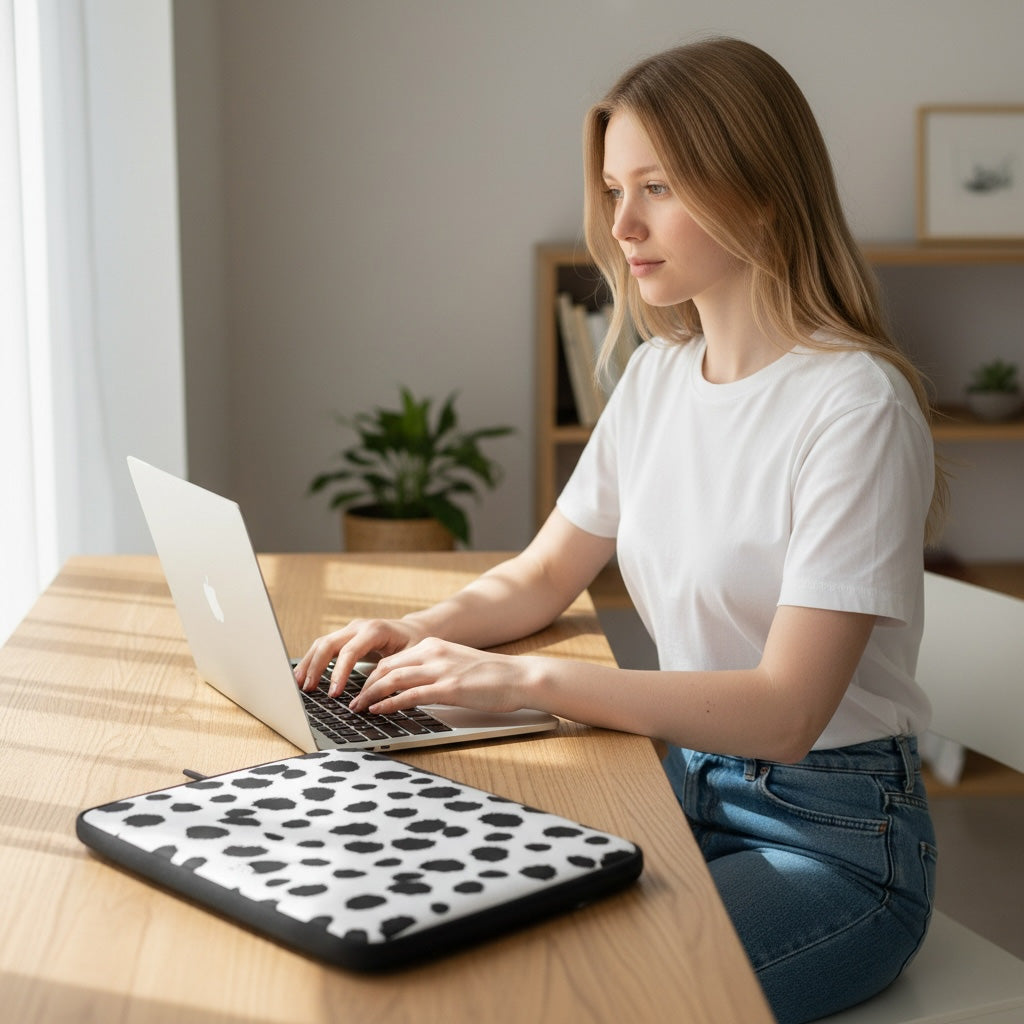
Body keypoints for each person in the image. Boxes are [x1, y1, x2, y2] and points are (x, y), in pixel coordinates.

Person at [294, 37, 947, 1024]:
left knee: (576, 999)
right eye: (612, 188)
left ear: (763, 192)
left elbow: (785, 712)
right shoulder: (657, 376)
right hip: (678, 785)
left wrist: (528, 680)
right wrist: (423, 631)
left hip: (831, 840)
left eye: (658, 186)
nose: (622, 223)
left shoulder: (854, 408)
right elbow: (545, 572)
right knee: (448, 933)